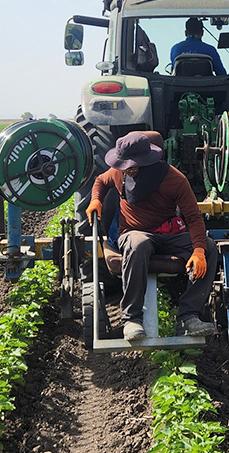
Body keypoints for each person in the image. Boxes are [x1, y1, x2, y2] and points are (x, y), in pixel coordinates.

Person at [86, 131, 218, 340]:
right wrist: (96, 200)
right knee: (137, 244)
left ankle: (188, 316)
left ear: (146, 162)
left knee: (210, 247)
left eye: (131, 165)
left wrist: (199, 251)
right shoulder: (120, 172)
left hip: (167, 234)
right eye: (123, 165)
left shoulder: (174, 179)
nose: (125, 169)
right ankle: (132, 318)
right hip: (133, 233)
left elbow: (193, 217)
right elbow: (101, 181)